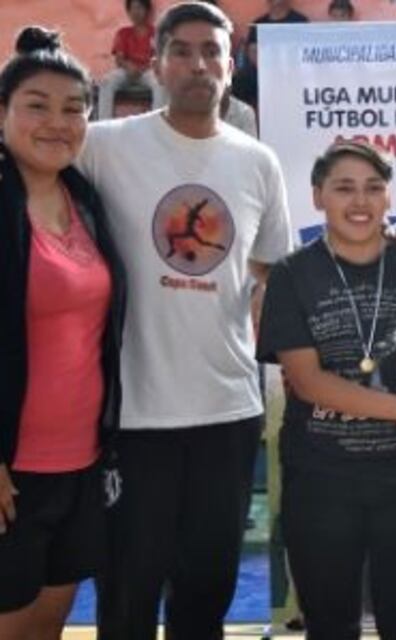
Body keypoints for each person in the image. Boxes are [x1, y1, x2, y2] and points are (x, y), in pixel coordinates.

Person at [77, 3, 293, 638]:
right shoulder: (104, 146)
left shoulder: (258, 162)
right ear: (156, 62)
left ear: (232, 66)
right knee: (128, 597)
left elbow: (266, 271)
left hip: (226, 412)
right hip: (134, 418)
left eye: (212, 53)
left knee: (207, 595)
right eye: (184, 51)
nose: (199, 64)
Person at [257, 140, 396, 640]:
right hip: (321, 479)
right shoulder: (291, 275)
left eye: (373, 188)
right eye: (343, 188)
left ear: (390, 199)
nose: (360, 202)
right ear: (317, 196)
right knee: (329, 626)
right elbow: (306, 381)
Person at [0, 26, 126, 639]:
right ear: (2, 114)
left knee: (48, 620)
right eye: (37, 106)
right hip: (11, 467)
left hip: (80, 461)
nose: (58, 123)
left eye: (73, 109)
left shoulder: (85, 199)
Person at [97, 0, 166, 120]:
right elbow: (119, 59)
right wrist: (129, 66)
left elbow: (160, 57)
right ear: (128, 12)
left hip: (148, 71)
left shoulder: (155, 33)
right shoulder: (123, 33)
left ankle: (157, 124)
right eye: (133, 9)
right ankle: (104, 123)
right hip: (127, 72)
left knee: (160, 84)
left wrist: (143, 68)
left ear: (147, 11)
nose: (136, 12)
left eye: (139, 8)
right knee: (106, 82)